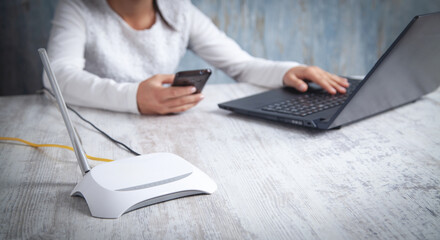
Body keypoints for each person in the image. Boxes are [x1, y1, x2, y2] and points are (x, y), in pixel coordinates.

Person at [45, 0, 349, 115]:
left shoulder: (180, 10)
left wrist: (289, 70)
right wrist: (132, 97)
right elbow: (56, 76)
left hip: (161, 131)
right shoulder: (77, 8)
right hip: (95, 124)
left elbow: (240, 65)